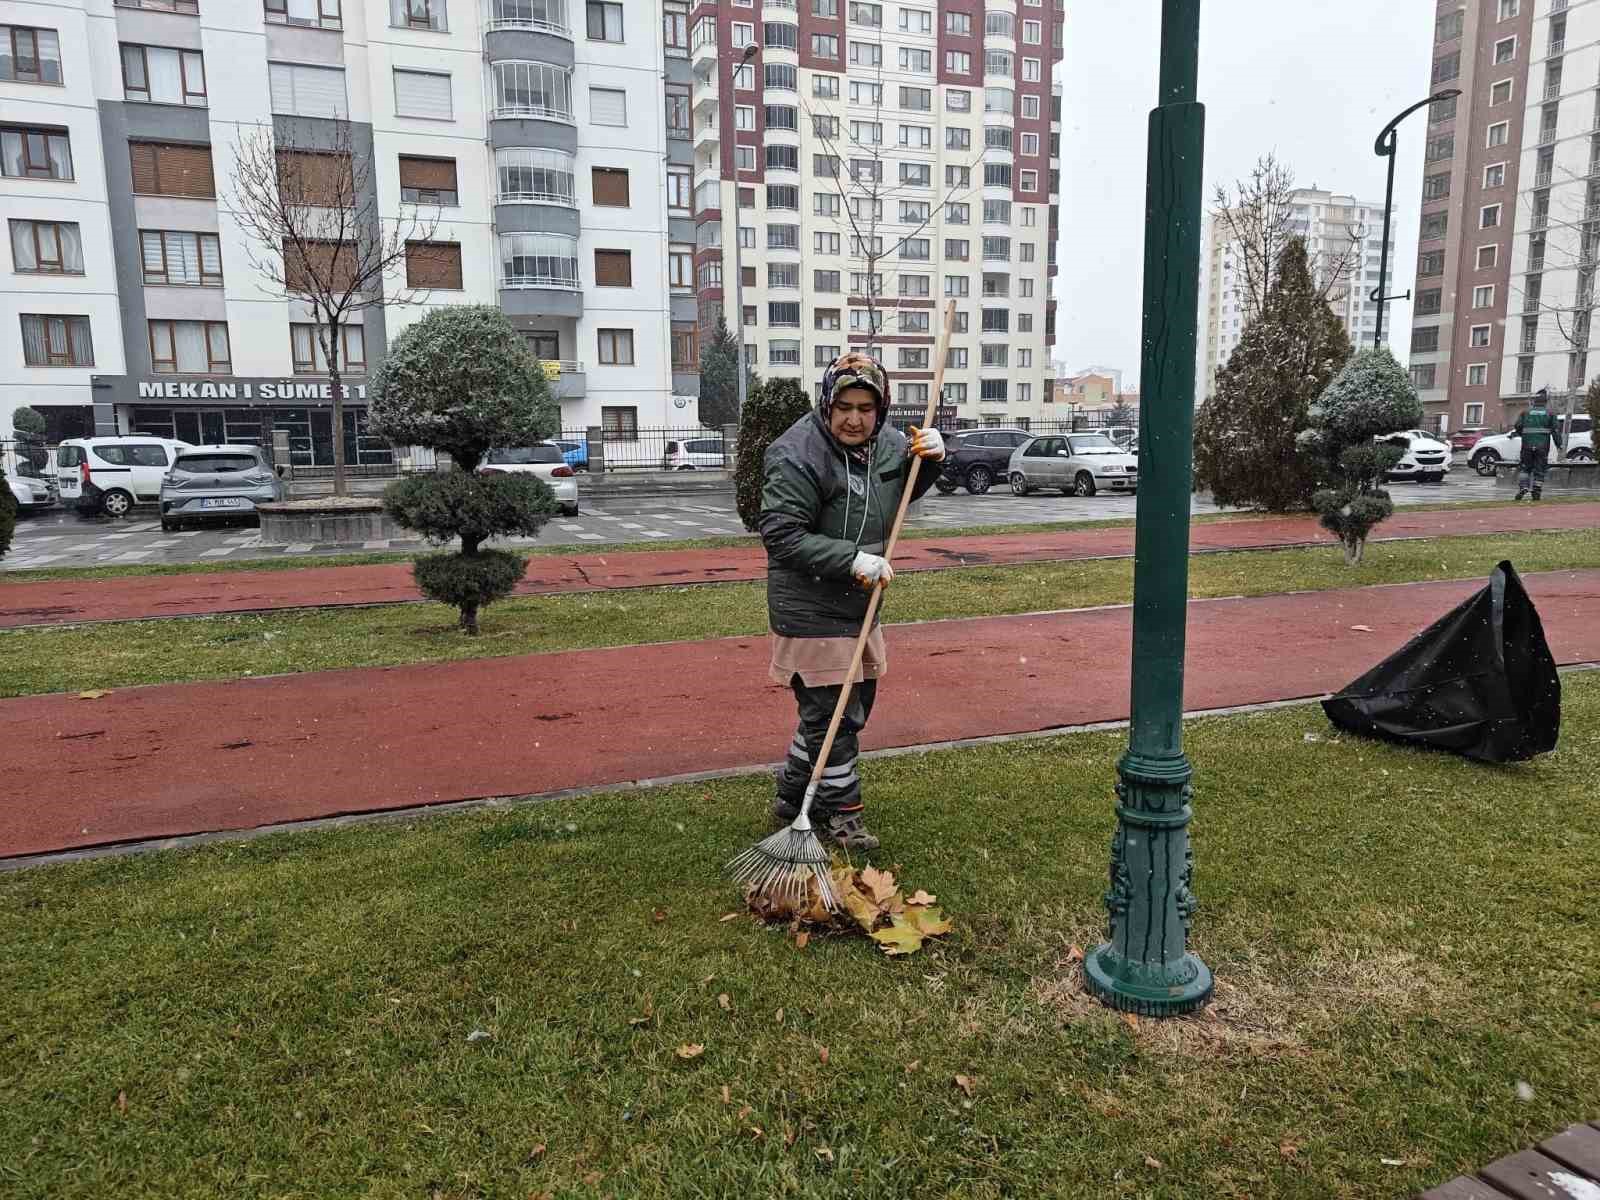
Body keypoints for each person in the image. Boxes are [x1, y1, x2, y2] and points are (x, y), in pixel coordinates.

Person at [758, 351, 945, 851]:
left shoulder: (886, 442)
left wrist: (930, 462)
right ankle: (843, 812)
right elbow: (781, 535)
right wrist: (853, 561)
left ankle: (792, 790)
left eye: (866, 407)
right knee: (834, 716)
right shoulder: (796, 452)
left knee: (843, 710)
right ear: (826, 403)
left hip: (860, 605)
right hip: (810, 607)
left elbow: (900, 492)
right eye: (844, 407)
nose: (854, 418)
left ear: (880, 409)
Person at [1514, 388, 1563, 501]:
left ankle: (1523, 487)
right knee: (1540, 469)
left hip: (1527, 445)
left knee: (1525, 468)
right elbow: (1555, 430)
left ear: (1534, 401)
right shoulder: (1550, 414)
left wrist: (1524, 435)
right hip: (1542, 446)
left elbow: (1517, 426)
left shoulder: (1525, 413)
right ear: (1545, 401)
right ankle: (1536, 491)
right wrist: (1559, 444)